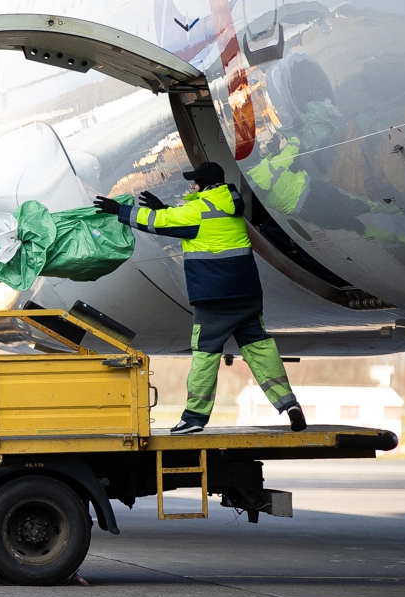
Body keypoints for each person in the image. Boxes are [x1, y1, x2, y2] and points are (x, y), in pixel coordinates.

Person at [94, 161, 306, 435]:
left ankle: (193, 418)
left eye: (195, 181)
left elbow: (157, 224)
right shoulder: (229, 206)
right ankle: (289, 404)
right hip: (247, 295)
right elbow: (192, 224)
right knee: (260, 350)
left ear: (205, 183)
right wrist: (166, 209)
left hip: (214, 299)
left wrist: (119, 210)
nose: (192, 185)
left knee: (205, 356)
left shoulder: (196, 210)